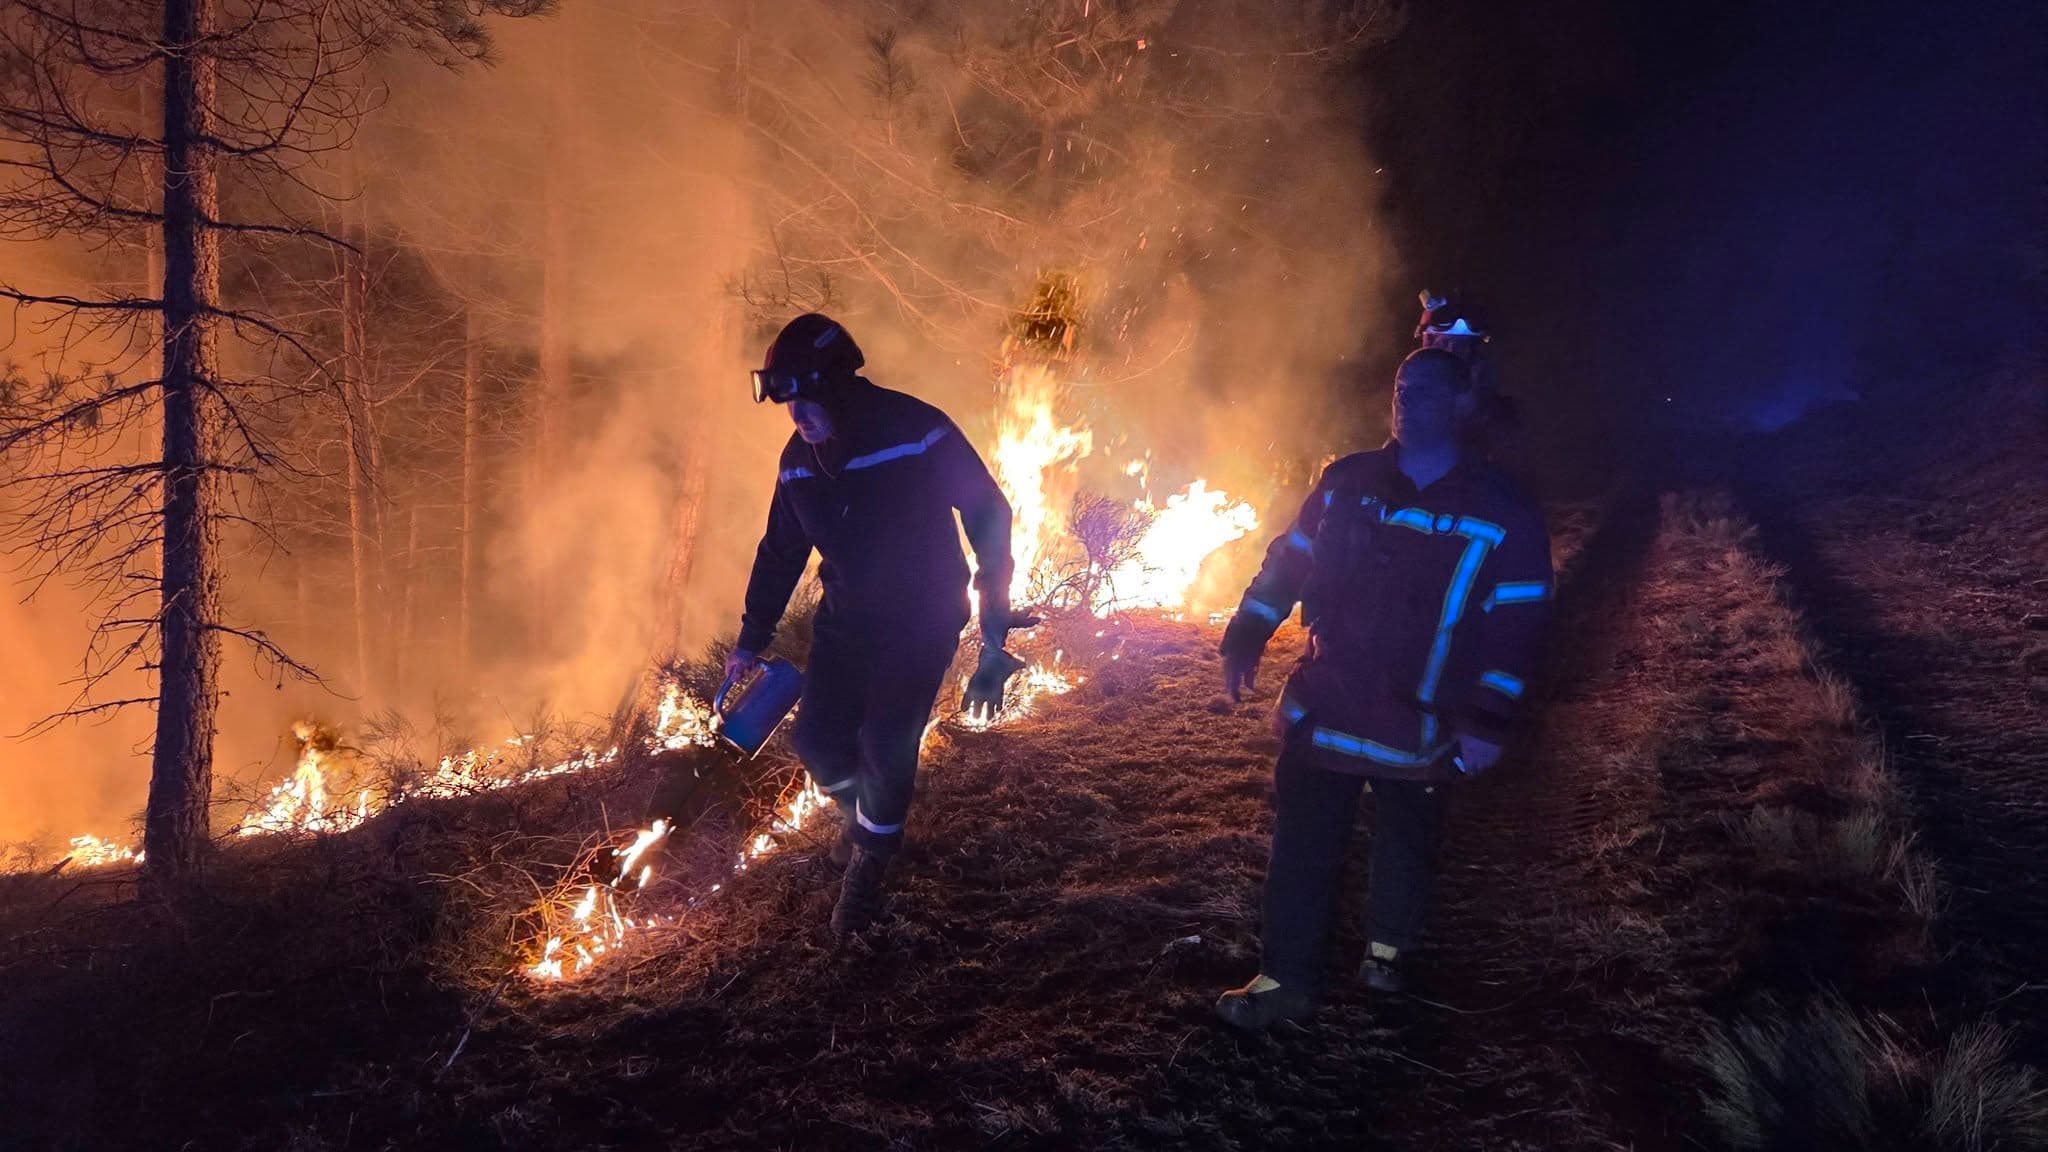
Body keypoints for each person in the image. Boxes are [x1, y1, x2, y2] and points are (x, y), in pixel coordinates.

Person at [1213, 347, 1554, 1029]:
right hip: (1329, 704)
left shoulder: (1502, 510)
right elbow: (1292, 561)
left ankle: (1387, 956)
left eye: (1425, 390)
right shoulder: (1346, 483)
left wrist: (1488, 719)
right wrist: (1247, 631)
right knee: (1303, 850)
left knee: (1409, 840)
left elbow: (1518, 622)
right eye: (1401, 387)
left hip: (1425, 719)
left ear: (1462, 405)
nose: (1407, 400)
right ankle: (1287, 983)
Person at [730, 313, 1026, 933]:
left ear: (836, 384)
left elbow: (986, 508)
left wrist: (992, 597)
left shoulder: (915, 429)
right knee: (816, 742)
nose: (796, 417)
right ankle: (863, 818)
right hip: (847, 620)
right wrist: (750, 640)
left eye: (805, 399)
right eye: (788, 404)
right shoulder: (798, 464)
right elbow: (780, 550)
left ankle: (868, 866)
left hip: (923, 614)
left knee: (887, 742)